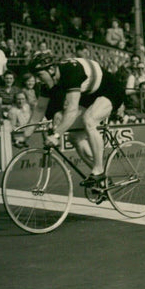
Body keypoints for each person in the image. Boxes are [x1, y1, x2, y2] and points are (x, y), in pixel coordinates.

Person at [21, 51, 126, 188]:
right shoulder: (48, 82)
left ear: (51, 70)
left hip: (110, 90)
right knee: (74, 137)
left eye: (39, 75)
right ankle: (102, 178)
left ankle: (99, 170)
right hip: (90, 94)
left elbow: (71, 111)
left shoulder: (71, 73)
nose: (37, 80)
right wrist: (25, 135)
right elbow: (40, 109)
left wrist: (56, 135)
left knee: (89, 120)